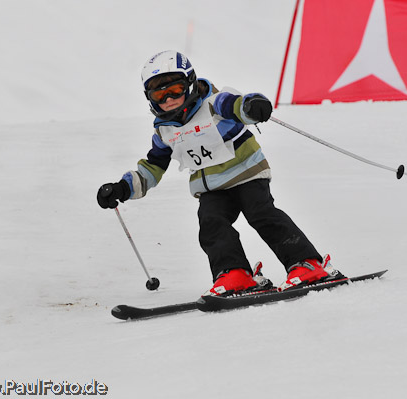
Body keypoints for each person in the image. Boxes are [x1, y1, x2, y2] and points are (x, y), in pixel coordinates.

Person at [97, 50, 343, 295]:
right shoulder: (164, 130)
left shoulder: (214, 104)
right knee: (211, 224)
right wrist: (122, 188)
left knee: (261, 214)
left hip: (246, 173)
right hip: (212, 188)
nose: (169, 99)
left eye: (176, 90)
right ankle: (234, 273)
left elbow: (239, 105)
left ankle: (307, 263)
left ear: (190, 84)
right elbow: (153, 167)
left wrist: (253, 106)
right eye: (160, 95)